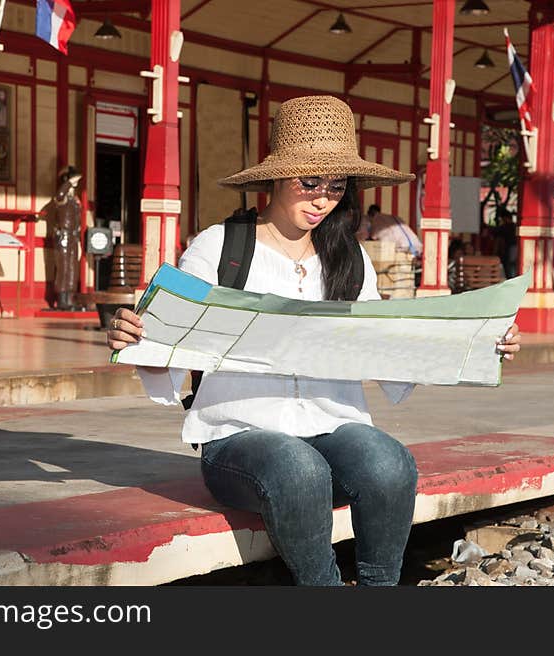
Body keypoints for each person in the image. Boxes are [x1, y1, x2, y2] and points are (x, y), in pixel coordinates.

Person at [107, 95, 522, 586]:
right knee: (298, 469)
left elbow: (386, 346)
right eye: (310, 182)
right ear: (277, 177)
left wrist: (480, 341)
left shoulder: (349, 258)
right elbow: (171, 345)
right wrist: (136, 335)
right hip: (238, 436)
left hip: (333, 426)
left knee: (390, 463)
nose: (323, 198)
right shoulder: (220, 248)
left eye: (336, 186)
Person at [49, 166, 82, 310]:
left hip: (73, 236)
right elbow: (59, 195)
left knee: (72, 268)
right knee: (62, 268)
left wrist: (79, 240)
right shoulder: (61, 198)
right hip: (63, 236)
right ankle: (61, 300)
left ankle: (70, 299)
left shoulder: (74, 200)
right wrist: (69, 182)